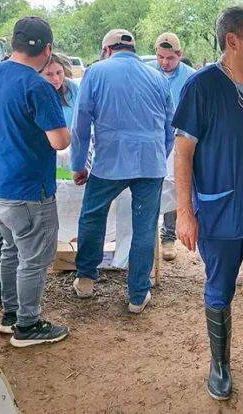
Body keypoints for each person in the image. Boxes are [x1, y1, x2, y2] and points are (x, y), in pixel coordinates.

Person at [173, 7, 243, 400]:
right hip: (220, 211)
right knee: (219, 288)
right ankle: (219, 365)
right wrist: (185, 212)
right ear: (232, 40)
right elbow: (183, 152)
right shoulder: (201, 87)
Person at [0, 16, 71, 347]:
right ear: (47, 49)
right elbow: (60, 142)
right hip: (28, 189)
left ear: (12, 43)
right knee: (33, 259)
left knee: (10, 250)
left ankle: (10, 315)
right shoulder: (38, 87)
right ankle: (27, 326)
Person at [70, 29, 173, 314]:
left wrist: (79, 164)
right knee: (145, 226)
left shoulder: (95, 72)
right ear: (134, 50)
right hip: (150, 163)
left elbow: (80, 124)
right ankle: (137, 297)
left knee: (92, 215)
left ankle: (87, 278)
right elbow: (169, 128)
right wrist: (157, 158)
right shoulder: (157, 77)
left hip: (109, 161)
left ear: (107, 50)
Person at [150, 32, 196, 262]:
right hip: (151, 140)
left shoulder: (191, 78)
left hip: (178, 141)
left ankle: (168, 237)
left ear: (179, 55)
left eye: (170, 58)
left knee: (174, 186)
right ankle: (145, 240)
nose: (164, 63)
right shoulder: (147, 72)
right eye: (160, 57)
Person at [42, 54, 79, 128]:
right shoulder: (35, 93)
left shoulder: (72, 86)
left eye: (59, 72)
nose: (56, 78)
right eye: (49, 74)